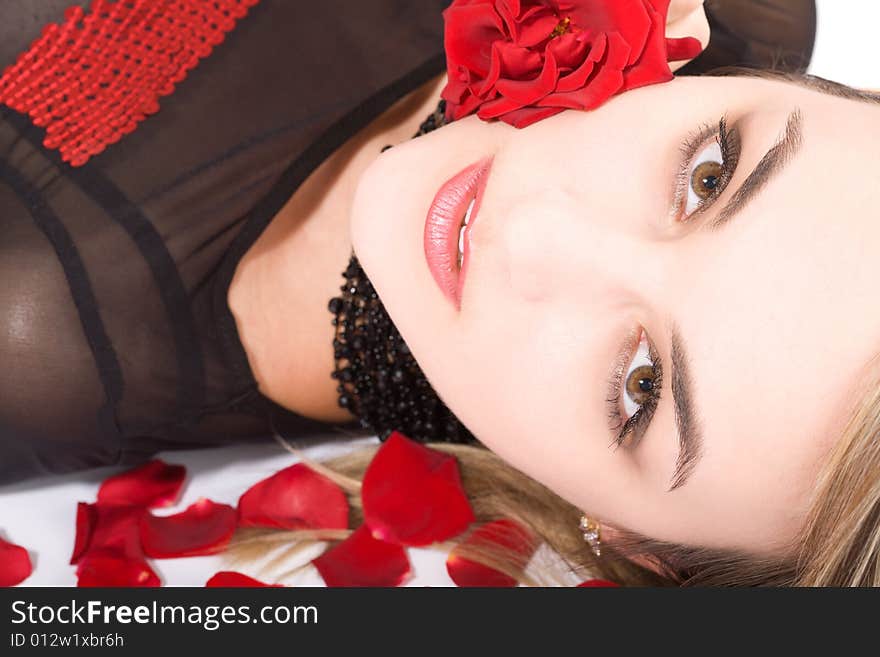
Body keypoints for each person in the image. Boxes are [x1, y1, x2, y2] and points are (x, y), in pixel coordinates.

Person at [6, 1, 878, 586]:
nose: (533, 227)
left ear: (627, 539)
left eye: (641, 386)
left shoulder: (35, 337)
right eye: (711, 174)